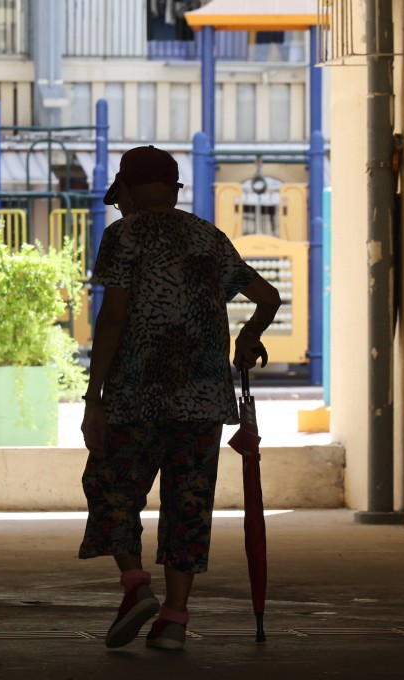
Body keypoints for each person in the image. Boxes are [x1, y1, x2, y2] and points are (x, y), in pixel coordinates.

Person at [78, 145, 281, 651]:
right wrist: (249, 336)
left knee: (110, 484)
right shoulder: (208, 238)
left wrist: (93, 396)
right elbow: (267, 297)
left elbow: (114, 316)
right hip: (204, 400)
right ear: (173, 191)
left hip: (136, 397)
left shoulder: (123, 235)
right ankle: (174, 619)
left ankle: (135, 586)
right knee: (189, 504)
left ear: (125, 191)